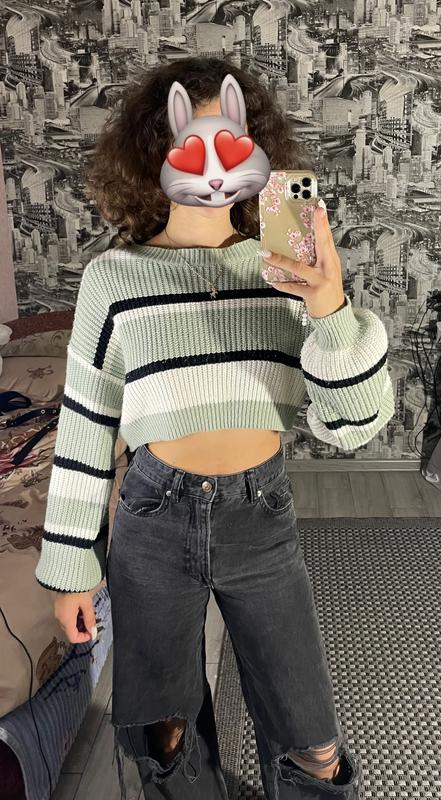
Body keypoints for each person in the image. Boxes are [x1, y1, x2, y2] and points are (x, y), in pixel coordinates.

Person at [35, 57, 395, 800]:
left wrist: (330, 307)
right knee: (164, 736)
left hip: (259, 519)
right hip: (151, 522)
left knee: (313, 742)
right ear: (154, 152)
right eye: (189, 145)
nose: (211, 165)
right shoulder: (113, 279)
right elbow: (86, 422)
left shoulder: (287, 271)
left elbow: (353, 425)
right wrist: (72, 564)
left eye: (230, 144)